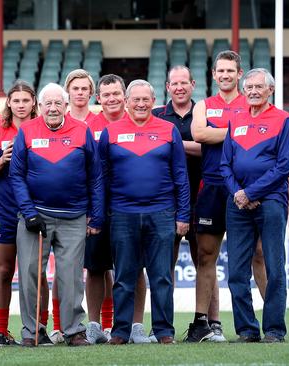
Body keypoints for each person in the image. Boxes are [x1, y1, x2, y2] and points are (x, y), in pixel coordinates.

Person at [10, 83, 103, 347]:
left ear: (66, 105)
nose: (52, 108)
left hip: (73, 217)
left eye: (57, 103)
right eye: (47, 104)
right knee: (29, 274)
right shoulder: (26, 131)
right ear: (39, 107)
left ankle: (73, 330)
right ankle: (32, 331)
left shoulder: (82, 131)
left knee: (71, 275)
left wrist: (95, 216)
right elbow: (16, 175)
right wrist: (29, 212)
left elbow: (95, 176)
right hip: (34, 216)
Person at [99, 80, 190, 345]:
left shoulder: (168, 130)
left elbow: (180, 176)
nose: (140, 104)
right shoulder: (110, 132)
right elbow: (101, 177)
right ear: (126, 102)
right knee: (124, 276)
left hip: (162, 213)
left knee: (161, 276)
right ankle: (120, 331)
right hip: (122, 214)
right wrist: (101, 214)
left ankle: (164, 331)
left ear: (154, 101)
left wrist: (183, 215)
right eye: (135, 99)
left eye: (145, 99)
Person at [188, 50, 265, 342]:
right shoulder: (205, 105)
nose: (224, 75)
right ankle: (201, 323)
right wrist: (239, 129)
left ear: (239, 73)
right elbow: (198, 134)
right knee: (207, 256)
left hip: (247, 190)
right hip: (212, 187)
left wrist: (216, 131)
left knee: (258, 255)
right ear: (213, 75)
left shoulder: (252, 102)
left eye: (230, 71)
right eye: (220, 71)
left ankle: (270, 320)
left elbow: (261, 134)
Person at [221, 68, 289, 343]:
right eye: (248, 86)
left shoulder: (283, 120)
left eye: (258, 87)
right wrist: (238, 193)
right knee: (236, 271)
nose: (252, 91)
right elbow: (225, 164)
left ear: (270, 90)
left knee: (274, 267)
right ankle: (247, 330)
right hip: (237, 204)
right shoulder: (235, 118)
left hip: (271, 202)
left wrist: (251, 192)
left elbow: (284, 166)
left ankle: (274, 329)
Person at [82, 74, 150, 345]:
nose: (111, 99)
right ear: (99, 97)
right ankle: (95, 325)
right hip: (98, 207)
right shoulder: (89, 125)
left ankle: (136, 325)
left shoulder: (138, 122)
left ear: (125, 96)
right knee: (95, 266)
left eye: (115, 94)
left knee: (136, 267)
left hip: (132, 206)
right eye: (105, 94)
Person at [0, 80, 51, 346]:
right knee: (3, 270)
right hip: (5, 208)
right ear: (8, 103)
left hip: (35, 208)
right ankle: (2, 331)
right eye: (17, 100)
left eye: (26, 100)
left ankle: (42, 328)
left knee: (37, 272)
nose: (22, 105)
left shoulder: (43, 129)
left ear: (34, 102)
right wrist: (3, 160)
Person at [152, 65, 201, 275]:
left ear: (193, 85)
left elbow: (212, 151)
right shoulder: (156, 116)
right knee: (164, 269)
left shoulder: (204, 113)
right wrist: (193, 146)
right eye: (175, 83)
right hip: (166, 201)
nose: (179, 87)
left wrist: (172, 144)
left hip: (201, 198)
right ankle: (164, 310)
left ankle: (206, 311)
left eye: (184, 82)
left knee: (205, 267)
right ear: (167, 86)